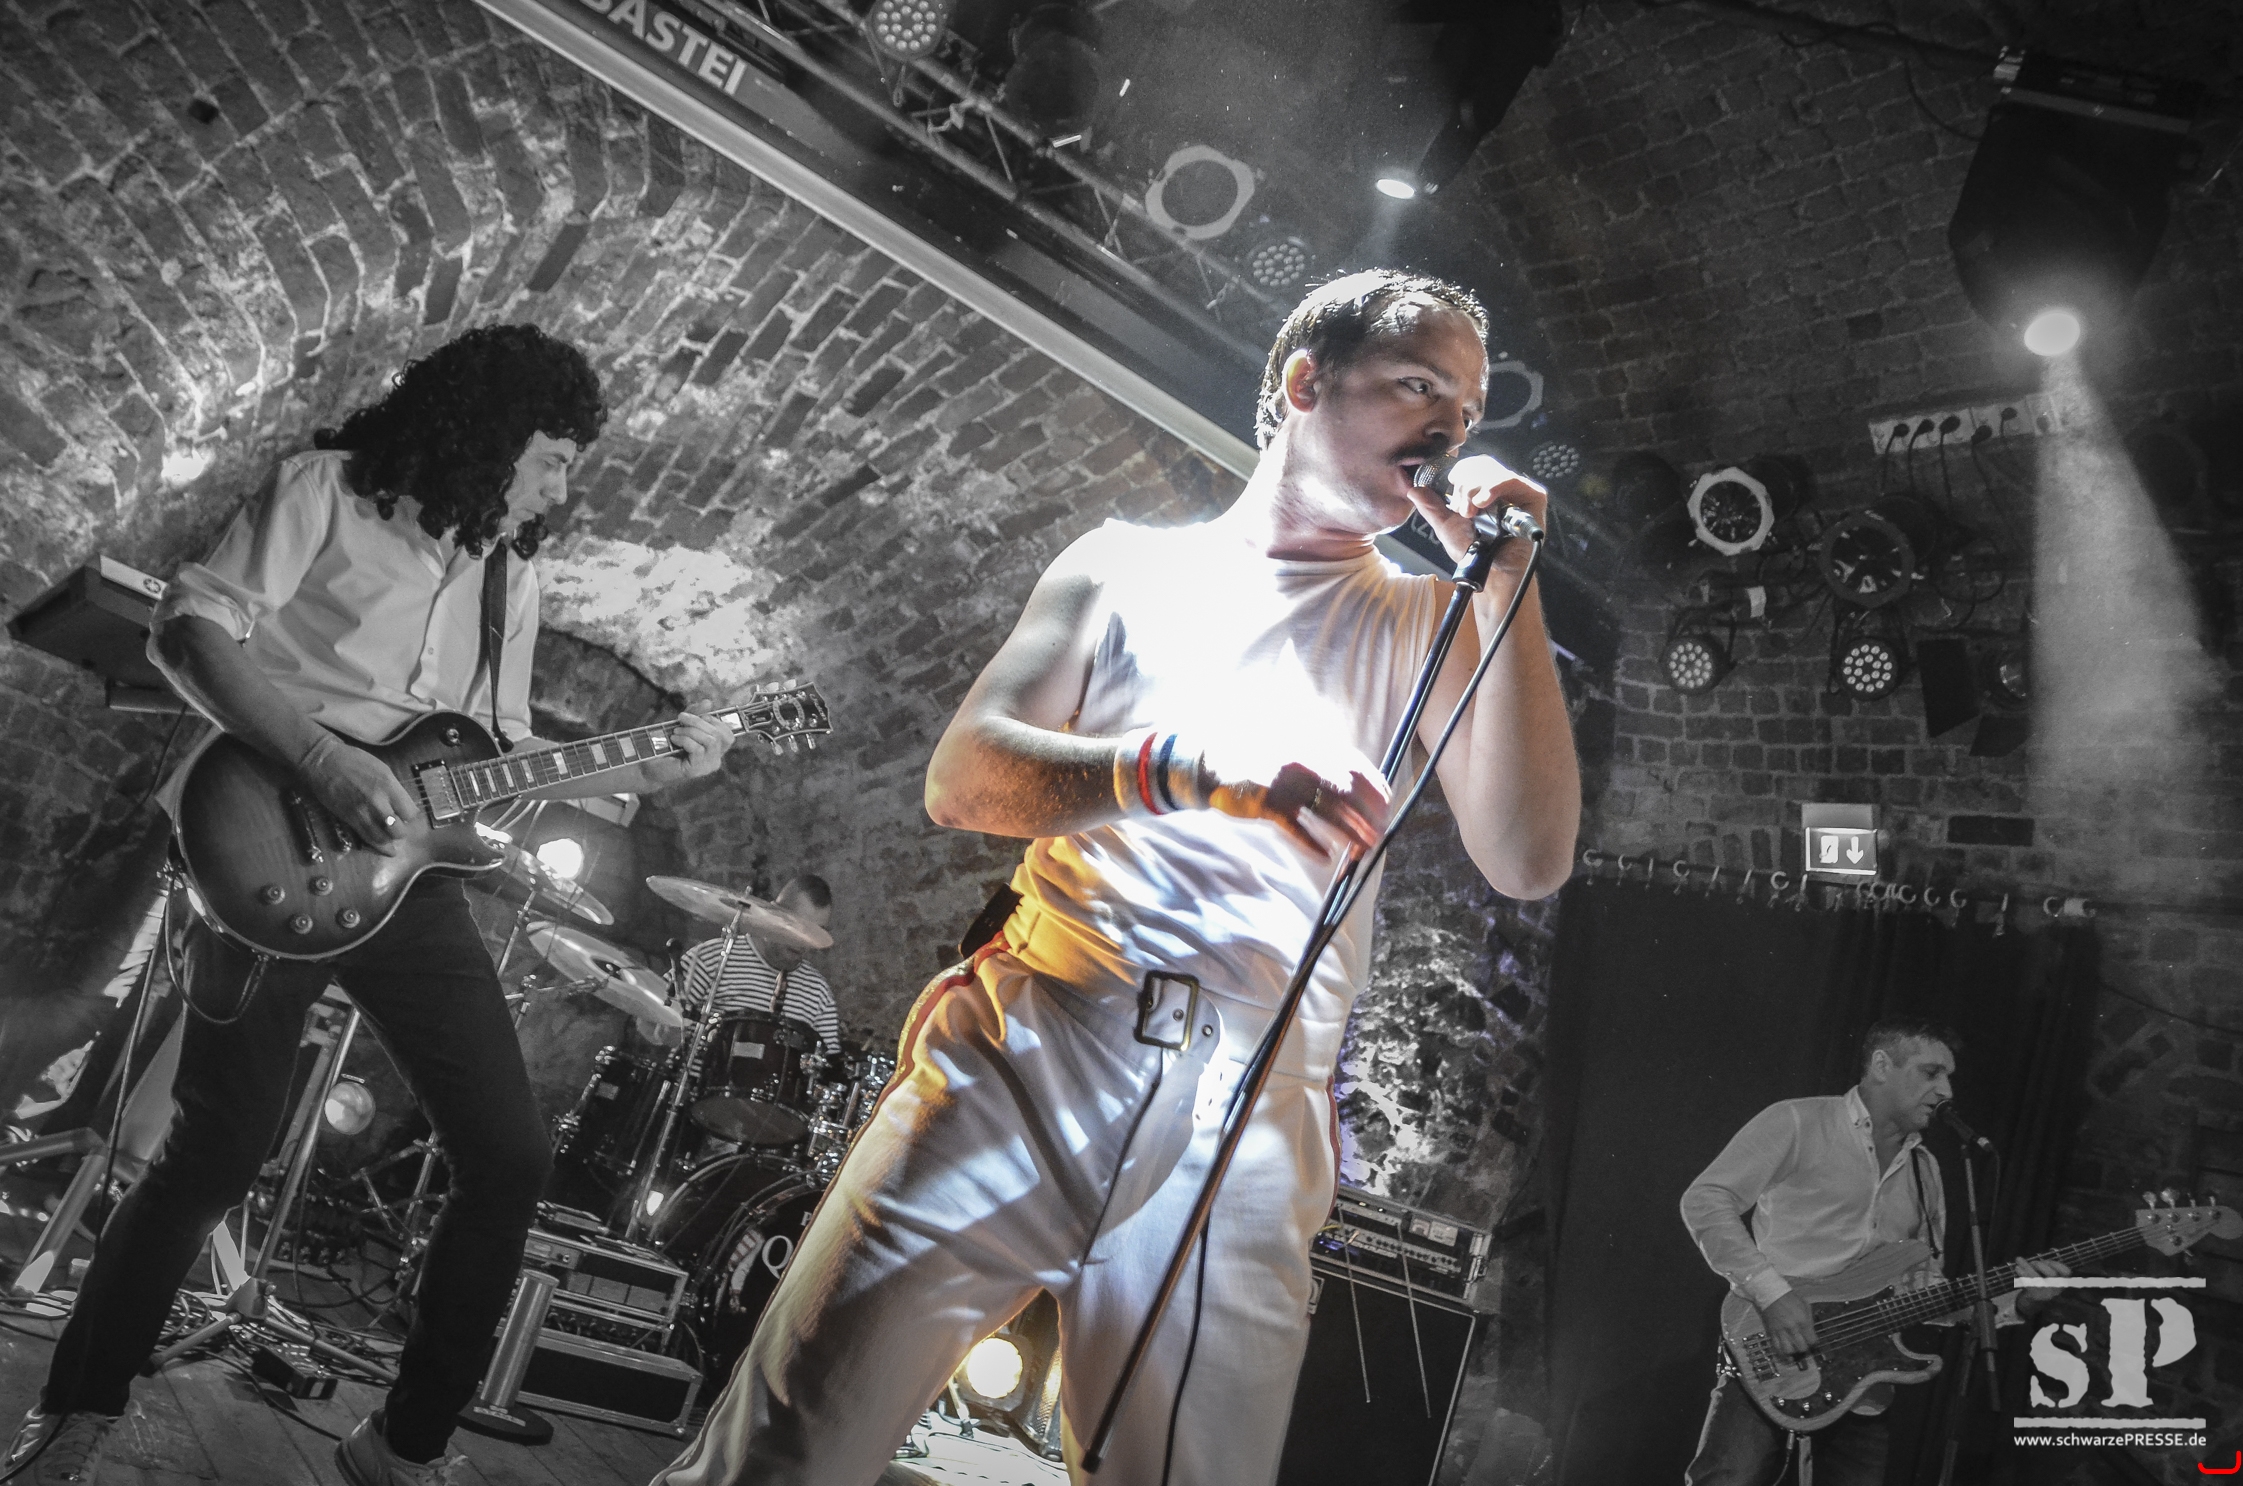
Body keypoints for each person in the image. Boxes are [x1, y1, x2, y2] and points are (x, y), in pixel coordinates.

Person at [649, 267, 1581, 1486]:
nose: (1445, 429)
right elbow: (964, 780)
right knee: (780, 1456)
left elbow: (1528, 856)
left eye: (1463, 411)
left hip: (1252, 1111)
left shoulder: (1429, 620)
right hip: (1034, 1044)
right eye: (1416, 386)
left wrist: (1506, 581)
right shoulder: (1123, 564)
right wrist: (1190, 769)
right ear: (1305, 381)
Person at [4, 325, 737, 1486]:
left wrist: (639, 767)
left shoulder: (510, 578)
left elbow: (492, 752)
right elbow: (190, 629)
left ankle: (403, 1443)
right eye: (552, 458)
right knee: (217, 1149)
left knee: (509, 1155)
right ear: (492, 432)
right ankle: (76, 1408)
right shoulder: (327, 492)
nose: (562, 488)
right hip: (264, 841)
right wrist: (325, 761)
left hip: (412, 883)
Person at [1678, 1018, 2065, 1485]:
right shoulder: (1798, 1121)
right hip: (1772, 1346)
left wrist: (2018, 1301)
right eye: (1931, 1073)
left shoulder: (1925, 1171)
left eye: (1948, 1077)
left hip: (1864, 1382)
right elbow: (1706, 1201)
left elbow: (1925, 1292)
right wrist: (1774, 1295)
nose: (1946, 1091)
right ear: (1882, 1065)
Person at [636, 875, 840, 1058]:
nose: (804, 941)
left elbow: (830, 1067)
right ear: (773, 913)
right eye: (798, 926)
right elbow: (646, 1015)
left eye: (816, 932)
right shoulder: (713, 957)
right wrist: (663, 1033)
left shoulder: (819, 992)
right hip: (697, 1086)